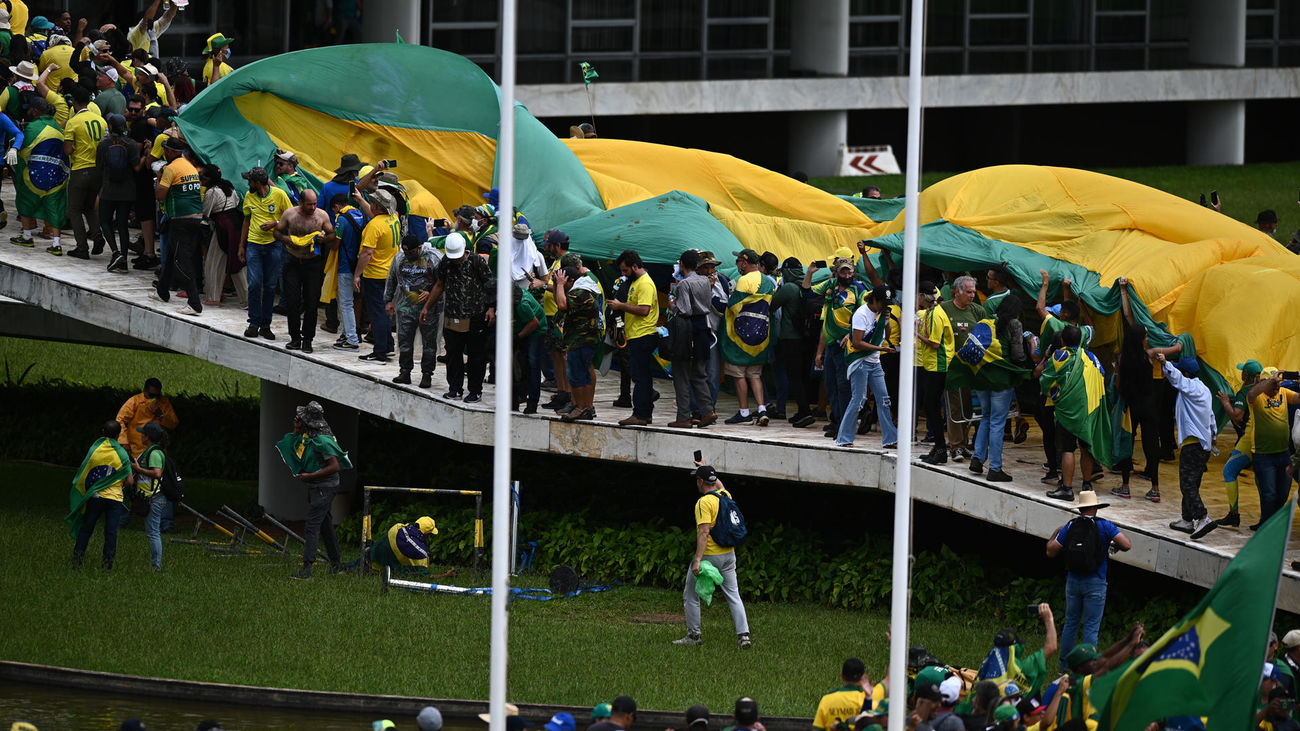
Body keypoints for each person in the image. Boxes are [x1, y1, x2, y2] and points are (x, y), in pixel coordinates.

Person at [1046, 490, 1131, 671]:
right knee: (1091, 627)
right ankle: (1087, 668)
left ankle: (1064, 666)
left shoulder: (1070, 526)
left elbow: (1051, 551)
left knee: (1071, 623)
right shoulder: (1105, 526)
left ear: (1080, 509)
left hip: (1073, 581)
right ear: (1096, 508)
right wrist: (1113, 544)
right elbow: (1127, 544)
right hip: (1096, 582)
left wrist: (1055, 534)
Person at [674, 459, 750, 649]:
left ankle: (694, 636)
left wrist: (697, 560)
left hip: (709, 556)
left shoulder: (703, 503)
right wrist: (706, 468)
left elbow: (704, 532)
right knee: (734, 595)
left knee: (691, 594)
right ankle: (744, 636)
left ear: (700, 482)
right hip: (729, 555)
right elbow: (719, 484)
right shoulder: (724, 495)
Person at [277, 401, 350, 580]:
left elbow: (335, 466)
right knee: (325, 525)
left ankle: (307, 569)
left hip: (324, 487)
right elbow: (294, 446)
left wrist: (310, 476)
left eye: (301, 418)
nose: (298, 419)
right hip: (318, 487)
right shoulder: (311, 435)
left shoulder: (322, 440)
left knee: (312, 525)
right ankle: (337, 565)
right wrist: (296, 428)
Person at [422, 230, 496, 401]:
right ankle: (455, 388)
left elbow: (490, 285)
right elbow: (439, 285)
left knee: (476, 356)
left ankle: (474, 390)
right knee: (453, 354)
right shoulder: (446, 262)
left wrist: (491, 308)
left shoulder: (477, 261)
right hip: (453, 315)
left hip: (476, 316)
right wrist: (427, 307)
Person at [1154, 352, 1218, 539]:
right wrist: (1214, 437)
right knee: (1192, 483)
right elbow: (1212, 416)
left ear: (1187, 373)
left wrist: (1165, 363)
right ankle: (1187, 520)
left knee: (1187, 485)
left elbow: (1177, 378)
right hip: (1202, 445)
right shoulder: (1203, 389)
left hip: (1193, 445)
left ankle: (1203, 517)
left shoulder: (1190, 387)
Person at [805, 257, 868, 438]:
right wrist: (809, 273)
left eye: (849, 272)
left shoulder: (859, 288)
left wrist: (851, 333)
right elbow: (807, 293)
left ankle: (845, 425)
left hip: (847, 344)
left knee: (844, 385)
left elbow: (866, 313)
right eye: (843, 272)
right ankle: (837, 420)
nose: (847, 275)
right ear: (836, 272)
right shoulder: (830, 285)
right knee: (831, 384)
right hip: (831, 342)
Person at [1040, 327, 1102, 501]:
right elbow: (1101, 376)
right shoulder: (1091, 357)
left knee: (1068, 449)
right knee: (1086, 447)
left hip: (1067, 411)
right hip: (1087, 409)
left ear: (1062, 341)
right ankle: (1087, 485)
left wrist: (1056, 396)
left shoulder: (1059, 356)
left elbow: (1045, 380)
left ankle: (1067, 488)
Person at [969, 294, 1026, 481]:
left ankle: (977, 459)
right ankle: (994, 469)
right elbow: (1018, 355)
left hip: (980, 377)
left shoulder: (986, 320)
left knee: (986, 417)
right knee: (997, 423)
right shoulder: (1014, 325)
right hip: (1001, 379)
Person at [275, 189, 335, 353]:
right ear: (301, 203)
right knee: (292, 302)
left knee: (311, 303)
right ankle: (295, 338)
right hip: (293, 261)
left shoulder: (321, 216)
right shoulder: (290, 214)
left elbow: (332, 234)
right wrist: (286, 239)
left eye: (315, 203)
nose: (313, 207)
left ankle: (308, 339)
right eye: (309, 204)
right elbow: (277, 231)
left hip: (312, 263)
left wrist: (324, 239)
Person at [836, 288, 897, 449]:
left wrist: (887, 322)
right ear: (874, 300)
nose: (885, 306)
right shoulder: (861, 314)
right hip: (861, 362)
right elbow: (857, 342)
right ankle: (844, 437)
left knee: (884, 400)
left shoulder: (880, 314)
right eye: (883, 303)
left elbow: (887, 335)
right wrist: (881, 350)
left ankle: (891, 438)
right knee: (859, 399)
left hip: (875, 363)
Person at [721, 248, 775, 426]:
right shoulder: (768, 282)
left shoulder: (743, 281)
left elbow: (733, 307)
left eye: (738, 261)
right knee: (755, 375)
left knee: (739, 375)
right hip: (760, 338)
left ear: (744, 263)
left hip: (740, 339)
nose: (737, 264)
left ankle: (744, 412)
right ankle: (762, 409)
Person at [9, 96, 69, 256]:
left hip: (35, 176)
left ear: (34, 111)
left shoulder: (32, 128)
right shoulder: (57, 127)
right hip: (57, 176)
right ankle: (57, 244)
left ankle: (27, 236)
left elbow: (22, 152)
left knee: (25, 199)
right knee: (55, 206)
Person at [69, 422, 132, 571]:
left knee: (86, 530)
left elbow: (85, 471)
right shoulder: (122, 454)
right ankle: (107, 566)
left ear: (103, 431)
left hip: (96, 497)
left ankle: (76, 562)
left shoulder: (95, 450)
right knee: (111, 533)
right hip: (115, 500)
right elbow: (130, 480)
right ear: (119, 435)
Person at [152, 136, 204, 315]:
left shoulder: (170, 168)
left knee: (182, 260)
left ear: (173, 152)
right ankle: (162, 291)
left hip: (181, 219)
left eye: (166, 150)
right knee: (172, 254)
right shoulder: (189, 166)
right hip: (195, 217)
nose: (165, 152)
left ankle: (194, 303)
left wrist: (159, 178)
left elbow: (160, 195)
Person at [239, 166, 292, 340]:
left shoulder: (279, 195)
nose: (248, 183)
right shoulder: (249, 196)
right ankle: (253, 323)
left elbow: (291, 216)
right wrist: (242, 245)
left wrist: (275, 223)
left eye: (250, 180)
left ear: (258, 182)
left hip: (273, 245)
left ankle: (266, 325)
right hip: (254, 245)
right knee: (254, 284)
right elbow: (246, 220)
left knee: (269, 286)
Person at [668, 249, 717, 428]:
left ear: (682, 264)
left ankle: (683, 417)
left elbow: (685, 310)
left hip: (688, 331)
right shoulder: (705, 281)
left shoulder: (683, 284)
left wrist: (673, 305)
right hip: (704, 329)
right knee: (699, 375)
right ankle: (708, 410)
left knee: (681, 375)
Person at [386, 235, 442, 388]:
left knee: (429, 343)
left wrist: (430, 292)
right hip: (406, 306)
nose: (408, 255)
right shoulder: (399, 259)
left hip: (429, 308)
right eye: (405, 252)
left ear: (418, 248)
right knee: (404, 341)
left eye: (410, 252)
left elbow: (442, 281)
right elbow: (391, 279)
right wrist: (388, 300)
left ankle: (427, 374)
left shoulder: (434, 258)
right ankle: (405, 371)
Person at [940, 275, 986, 460]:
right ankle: (955, 446)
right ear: (957, 291)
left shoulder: (978, 311)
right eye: (969, 292)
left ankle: (963, 443)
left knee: (968, 408)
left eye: (974, 292)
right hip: (952, 368)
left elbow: (986, 334)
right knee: (954, 407)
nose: (972, 295)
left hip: (972, 369)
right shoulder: (943, 310)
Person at [1245, 368, 1300, 525]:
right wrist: (1270, 381)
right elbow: (1250, 395)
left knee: (1282, 494)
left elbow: (1298, 398)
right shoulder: (1257, 397)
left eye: (1278, 383)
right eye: (1273, 383)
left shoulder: (1283, 392)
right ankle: (1267, 527)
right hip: (1263, 455)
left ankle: (1268, 523)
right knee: (1269, 494)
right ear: (1264, 382)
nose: (1277, 386)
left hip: (1283, 453)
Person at [610, 250, 659, 426]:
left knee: (640, 378)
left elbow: (644, 310)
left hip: (643, 335)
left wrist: (620, 305)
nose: (623, 275)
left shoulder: (645, 284)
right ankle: (645, 414)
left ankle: (640, 414)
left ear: (635, 266)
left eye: (625, 271)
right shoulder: (634, 282)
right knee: (641, 376)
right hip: (635, 334)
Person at [354, 189, 401, 363]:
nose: (371, 204)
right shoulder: (393, 218)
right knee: (385, 311)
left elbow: (367, 253)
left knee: (378, 314)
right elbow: (375, 214)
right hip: (390, 273)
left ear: (376, 206)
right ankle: (387, 346)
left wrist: (357, 275)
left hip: (375, 275)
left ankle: (380, 351)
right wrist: (360, 200)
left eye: (372, 202)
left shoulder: (374, 226)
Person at [771, 257, 817, 428]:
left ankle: (804, 412)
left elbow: (772, 305)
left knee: (794, 376)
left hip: (791, 338)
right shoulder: (806, 286)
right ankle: (802, 410)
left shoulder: (789, 288)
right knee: (804, 375)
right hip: (808, 337)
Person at [976, 605, 1059, 700]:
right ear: (1014, 647)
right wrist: (1049, 619)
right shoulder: (1024, 668)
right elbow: (1051, 647)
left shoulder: (986, 666)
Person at [61, 82, 106, 259]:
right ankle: (97, 235)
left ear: (74, 102)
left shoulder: (73, 123)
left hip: (80, 169)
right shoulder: (101, 121)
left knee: (74, 209)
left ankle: (82, 247)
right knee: (89, 207)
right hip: (98, 171)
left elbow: (68, 150)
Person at [554, 264, 603, 421]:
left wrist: (560, 285)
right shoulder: (583, 289)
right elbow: (561, 305)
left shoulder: (580, 292)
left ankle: (581, 407)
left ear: (570, 280)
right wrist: (558, 285)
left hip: (582, 339)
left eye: (562, 280)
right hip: (582, 339)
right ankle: (585, 407)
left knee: (577, 375)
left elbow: (562, 305)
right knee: (583, 373)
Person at [916, 281, 954, 463]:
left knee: (931, 405)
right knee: (930, 406)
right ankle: (938, 447)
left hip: (939, 365)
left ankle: (941, 449)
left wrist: (916, 334)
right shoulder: (932, 312)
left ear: (923, 297)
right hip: (932, 364)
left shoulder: (935, 315)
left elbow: (935, 343)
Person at [198, 164, 246, 306]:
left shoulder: (212, 192)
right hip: (236, 223)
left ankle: (213, 297)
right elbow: (236, 201)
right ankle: (247, 299)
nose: (201, 179)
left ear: (209, 178)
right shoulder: (229, 186)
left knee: (213, 263)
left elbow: (205, 213)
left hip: (223, 227)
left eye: (203, 176)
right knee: (238, 262)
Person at [95, 112, 138, 272]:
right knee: (122, 225)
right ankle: (124, 260)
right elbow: (136, 167)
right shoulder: (132, 144)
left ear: (110, 126)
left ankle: (115, 252)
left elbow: (99, 168)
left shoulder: (103, 145)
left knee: (104, 221)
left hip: (109, 189)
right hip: (128, 191)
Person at [129, 421, 169, 572]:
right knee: (152, 531)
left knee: (153, 532)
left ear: (148, 437)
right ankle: (155, 565)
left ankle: (156, 567)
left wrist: (138, 469)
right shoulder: (152, 451)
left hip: (154, 498)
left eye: (143, 433)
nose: (140, 435)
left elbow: (157, 473)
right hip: (151, 497)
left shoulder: (154, 453)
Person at [330, 193, 366, 351]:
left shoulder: (341, 219)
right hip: (360, 265)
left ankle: (351, 340)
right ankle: (346, 334)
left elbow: (335, 245)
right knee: (351, 302)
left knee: (345, 304)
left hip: (345, 266)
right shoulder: (360, 214)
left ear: (337, 207)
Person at [116, 378, 180, 458]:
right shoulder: (135, 401)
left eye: (158, 396)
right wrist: (124, 442)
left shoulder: (164, 402)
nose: (155, 398)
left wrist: (161, 415)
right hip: (136, 449)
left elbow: (173, 423)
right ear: (145, 391)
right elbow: (120, 419)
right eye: (152, 395)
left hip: (157, 449)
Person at [812, 658, 872, 731]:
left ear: (842, 675)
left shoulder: (827, 699)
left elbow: (816, 729)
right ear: (863, 677)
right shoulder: (867, 700)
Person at [513, 285, 546, 412]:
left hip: (536, 331)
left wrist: (517, 337)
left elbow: (534, 323)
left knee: (533, 364)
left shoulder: (522, 304)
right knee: (520, 363)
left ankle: (532, 401)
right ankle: (518, 397)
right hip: (523, 327)